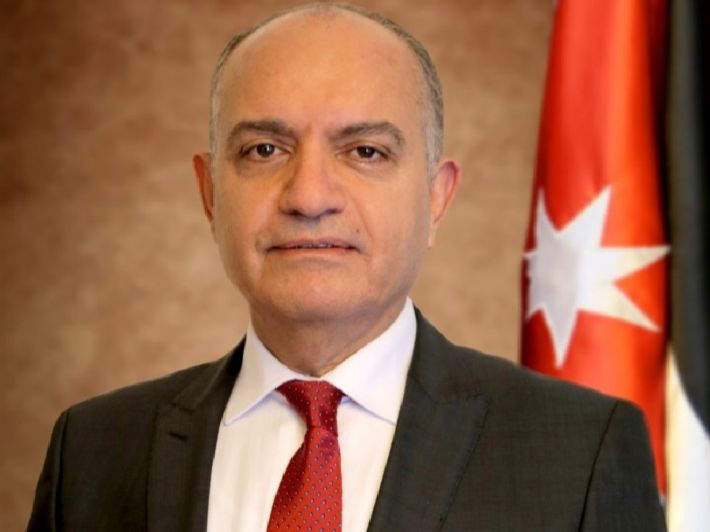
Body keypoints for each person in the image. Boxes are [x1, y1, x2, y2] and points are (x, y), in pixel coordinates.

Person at [28, 3, 666, 531]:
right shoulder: (92, 453)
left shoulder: (581, 454)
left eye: (365, 151)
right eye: (265, 149)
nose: (309, 197)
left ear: (437, 197)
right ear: (210, 193)